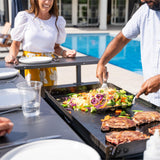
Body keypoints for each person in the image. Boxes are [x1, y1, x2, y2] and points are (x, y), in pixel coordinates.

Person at [96, 0, 160, 107]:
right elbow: (121, 39)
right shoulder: (145, 11)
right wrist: (102, 62)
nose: (143, 0)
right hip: (154, 101)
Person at [5, 0, 76, 86]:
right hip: (29, 67)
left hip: (49, 68)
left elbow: (55, 47)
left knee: (48, 97)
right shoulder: (25, 17)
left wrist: (65, 53)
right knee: (30, 96)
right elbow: (15, 44)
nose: (47, 2)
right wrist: (12, 56)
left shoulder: (57, 20)